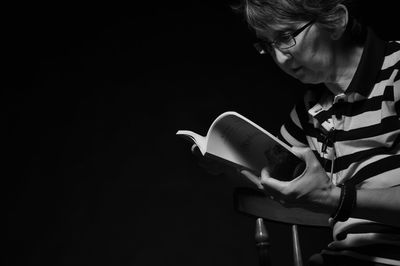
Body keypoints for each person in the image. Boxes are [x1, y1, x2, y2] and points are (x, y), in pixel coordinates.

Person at [207, 0, 400, 265]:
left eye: (286, 37)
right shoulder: (310, 109)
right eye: (268, 45)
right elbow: (270, 179)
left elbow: (328, 197)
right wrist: (221, 159)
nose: (280, 58)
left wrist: (335, 198)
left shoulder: (396, 73)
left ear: (335, 21)